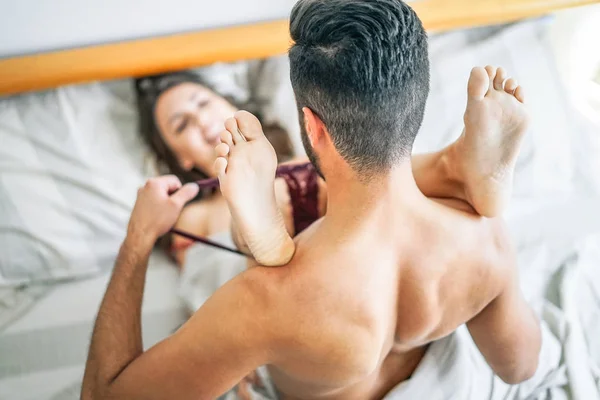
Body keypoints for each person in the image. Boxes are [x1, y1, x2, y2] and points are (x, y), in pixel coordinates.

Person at [82, 1, 540, 399]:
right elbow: (518, 368)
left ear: (313, 128)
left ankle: (264, 239)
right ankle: (454, 164)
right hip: (440, 340)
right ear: (418, 99)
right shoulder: (485, 237)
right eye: (182, 125)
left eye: (203, 106)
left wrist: (138, 239)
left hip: (308, 309)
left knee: (272, 263)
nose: (202, 125)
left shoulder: (264, 304)